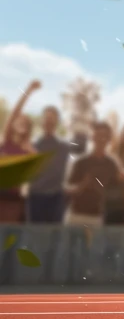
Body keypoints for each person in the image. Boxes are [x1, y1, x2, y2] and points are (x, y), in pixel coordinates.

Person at [26, 92, 87, 224]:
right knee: (34, 232)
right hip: (35, 197)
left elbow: (82, 147)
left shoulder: (64, 145)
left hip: (56, 198)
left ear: (57, 122)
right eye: (46, 118)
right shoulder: (33, 145)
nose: (49, 121)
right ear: (42, 121)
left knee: (55, 233)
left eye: (52, 119)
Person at [1, 79, 40, 223]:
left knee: (10, 231)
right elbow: (16, 111)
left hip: (13, 197)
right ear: (13, 124)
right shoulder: (7, 141)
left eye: (25, 123)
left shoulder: (27, 150)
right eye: (19, 121)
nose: (22, 123)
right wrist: (29, 90)